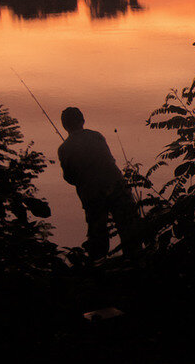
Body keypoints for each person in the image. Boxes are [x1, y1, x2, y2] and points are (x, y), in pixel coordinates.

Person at [58, 107, 141, 261]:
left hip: (92, 194)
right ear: (82, 121)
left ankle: (98, 265)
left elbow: (69, 177)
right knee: (128, 226)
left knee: (97, 233)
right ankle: (136, 261)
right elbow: (109, 159)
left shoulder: (64, 148)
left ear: (64, 126)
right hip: (116, 185)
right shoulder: (97, 136)